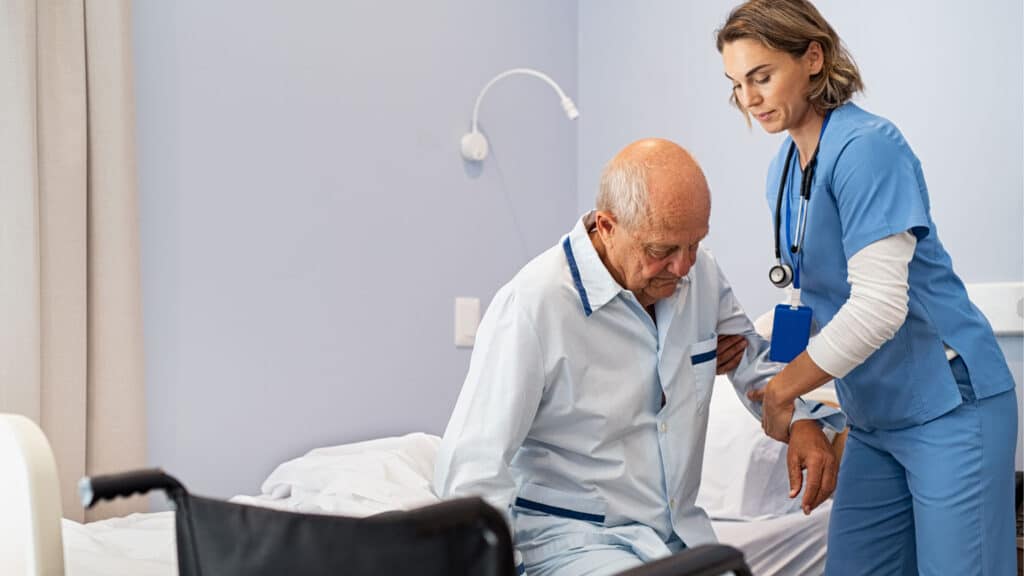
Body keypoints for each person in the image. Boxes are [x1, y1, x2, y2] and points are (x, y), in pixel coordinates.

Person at [433, 138, 845, 576]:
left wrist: (803, 420)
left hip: (680, 536)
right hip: (571, 541)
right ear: (607, 226)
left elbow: (750, 361)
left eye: (694, 244)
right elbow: (472, 466)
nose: (683, 267)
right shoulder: (535, 305)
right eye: (662, 250)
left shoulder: (698, 273)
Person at [717, 2, 1018, 574]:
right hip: (874, 419)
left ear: (812, 57)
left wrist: (783, 392)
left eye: (761, 77)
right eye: (736, 85)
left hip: (950, 404)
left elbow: (879, 308)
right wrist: (791, 391)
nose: (749, 99)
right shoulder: (783, 168)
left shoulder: (868, 149)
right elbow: (802, 298)